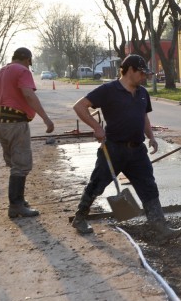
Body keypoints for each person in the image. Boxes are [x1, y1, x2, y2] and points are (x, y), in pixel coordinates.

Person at [70, 54, 173, 239]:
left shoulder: (142, 93)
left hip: (137, 150)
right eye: (141, 73)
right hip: (113, 149)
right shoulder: (108, 90)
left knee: (148, 186)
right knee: (97, 184)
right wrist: (96, 128)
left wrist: (151, 137)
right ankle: (80, 217)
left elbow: (144, 117)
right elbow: (80, 107)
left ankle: (159, 226)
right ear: (130, 70)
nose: (144, 78)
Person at [0, 47, 55, 218]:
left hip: (1, 123)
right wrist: (46, 119)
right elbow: (28, 95)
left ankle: (19, 201)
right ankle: (16, 205)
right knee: (21, 163)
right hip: (16, 123)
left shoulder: (0, 72)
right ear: (27, 60)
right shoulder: (22, 70)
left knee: (14, 163)